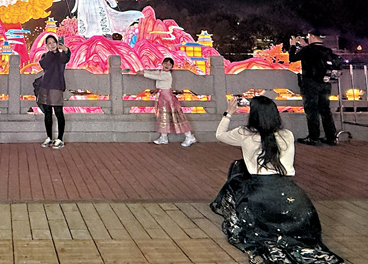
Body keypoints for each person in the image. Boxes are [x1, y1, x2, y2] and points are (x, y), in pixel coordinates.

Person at [211, 95, 343, 264]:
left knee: (236, 175)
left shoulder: (244, 133)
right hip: (290, 193)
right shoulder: (287, 134)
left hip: (259, 193)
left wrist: (228, 113)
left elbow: (220, 134)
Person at [288, 33, 338, 146]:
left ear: (312, 37)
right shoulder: (327, 50)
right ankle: (331, 137)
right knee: (325, 110)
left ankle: (313, 137)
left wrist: (293, 46)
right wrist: (305, 46)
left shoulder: (308, 50)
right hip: (325, 83)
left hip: (310, 83)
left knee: (312, 110)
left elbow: (292, 58)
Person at [143, 57, 196, 147]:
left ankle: (189, 136)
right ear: (162, 64)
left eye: (169, 64)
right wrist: (143, 71)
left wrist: (144, 73)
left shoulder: (167, 75)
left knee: (177, 118)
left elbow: (157, 77)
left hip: (168, 99)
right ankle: (163, 137)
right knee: (163, 117)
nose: (167, 65)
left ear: (172, 67)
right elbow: (155, 73)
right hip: (162, 98)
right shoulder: (161, 72)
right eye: (165, 63)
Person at [38, 35, 70, 149]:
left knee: (58, 112)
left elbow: (66, 58)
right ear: (46, 45)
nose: (52, 45)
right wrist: (51, 53)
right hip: (45, 86)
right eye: (49, 43)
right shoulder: (45, 56)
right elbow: (44, 65)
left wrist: (65, 49)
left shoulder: (61, 56)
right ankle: (49, 137)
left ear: (57, 43)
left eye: (53, 42)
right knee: (47, 112)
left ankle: (60, 138)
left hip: (56, 86)